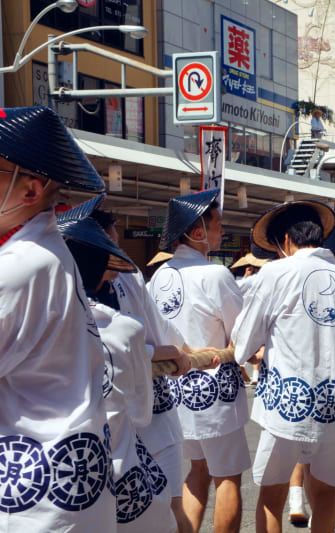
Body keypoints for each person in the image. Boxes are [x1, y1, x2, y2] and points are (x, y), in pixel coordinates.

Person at [0, 105, 115, 530]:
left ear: (29, 190)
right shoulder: (42, 253)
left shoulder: (18, 266)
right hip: (63, 481)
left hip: (32, 497)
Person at [232, 201, 335, 532]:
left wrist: (242, 352)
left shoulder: (275, 272)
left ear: (285, 240)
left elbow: (244, 338)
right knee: (326, 490)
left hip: (289, 403)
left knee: (272, 494)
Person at [58, 207, 177, 531]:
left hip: (56, 476)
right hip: (120, 465)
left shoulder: (41, 321)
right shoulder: (123, 329)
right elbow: (140, 412)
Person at [90, 203, 194, 531]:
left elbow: (156, 325)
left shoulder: (131, 275)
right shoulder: (66, 294)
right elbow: (143, 339)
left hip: (152, 409)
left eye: (117, 243)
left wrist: (181, 352)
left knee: (169, 506)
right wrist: (167, 352)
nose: (116, 253)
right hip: (101, 419)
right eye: (109, 245)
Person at [149, 189, 248, 533]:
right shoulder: (216, 275)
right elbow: (243, 334)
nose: (223, 230)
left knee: (197, 470)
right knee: (227, 477)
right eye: (218, 224)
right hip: (215, 390)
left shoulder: (159, 276)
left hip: (174, 389)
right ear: (197, 232)